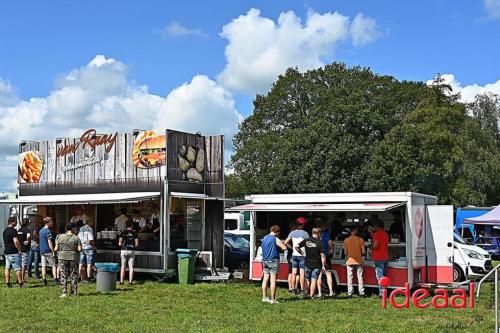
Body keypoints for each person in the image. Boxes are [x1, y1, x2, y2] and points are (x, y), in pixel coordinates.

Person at [296, 228, 326, 299]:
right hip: (317, 264)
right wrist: (323, 266)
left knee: (307, 279)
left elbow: (297, 246)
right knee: (314, 280)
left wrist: (302, 253)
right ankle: (312, 296)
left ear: (312, 233)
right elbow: (323, 256)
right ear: (318, 233)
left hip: (307, 263)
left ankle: (305, 295)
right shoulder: (320, 243)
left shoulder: (307, 240)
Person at [261, 225, 287, 304]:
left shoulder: (264, 238)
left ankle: (264, 297)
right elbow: (284, 247)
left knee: (265, 279)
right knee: (273, 280)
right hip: (273, 260)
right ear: (277, 232)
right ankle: (273, 299)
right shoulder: (275, 238)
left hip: (265, 260)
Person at [55, 223, 82, 297]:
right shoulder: (76, 238)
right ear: (72, 228)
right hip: (73, 257)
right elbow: (80, 249)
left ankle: (64, 292)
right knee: (73, 275)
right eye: (75, 228)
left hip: (62, 257)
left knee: (63, 275)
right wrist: (73, 249)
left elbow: (56, 248)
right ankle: (74, 292)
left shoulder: (60, 237)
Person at [285, 217, 309, 295]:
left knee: (293, 273)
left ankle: (292, 289)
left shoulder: (292, 233)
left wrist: (292, 248)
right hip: (302, 255)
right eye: (304, 223)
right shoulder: (305, 233)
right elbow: (309, 244)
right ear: (302, 224)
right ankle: (302, 289)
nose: (305, 224)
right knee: (302, 273)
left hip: (294, 254)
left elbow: (285, 242)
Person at [343, 226, 366, 298]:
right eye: (357, 230)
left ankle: (350, 293)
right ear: (355, 230)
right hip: (359, 260)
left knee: (349, 277)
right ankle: (361, 293)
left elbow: (345, 253)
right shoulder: (361, 239)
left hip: (349, 260)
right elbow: (363, 251)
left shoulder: (346, 240)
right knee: (360, 276)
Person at [3, 217, 23, 288]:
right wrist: (20, 250)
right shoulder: (13, 231)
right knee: (18, 268)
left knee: (7, 267)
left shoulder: (5, 231)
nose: (16, 223)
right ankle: (21, 284)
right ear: (12, 222)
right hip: (13, 253)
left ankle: (8, 284)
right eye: (15, 222)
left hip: (6, 252)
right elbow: (16, 242)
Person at [372, 220, 389, 296]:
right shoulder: (385, 233)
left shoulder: (376, 234)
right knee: (384, 276)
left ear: (377, 226)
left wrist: (371, 247)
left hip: (378, 257)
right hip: (385, 256)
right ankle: (384, 291)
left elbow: (376, 245)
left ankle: (382, 293)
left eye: (374, 226)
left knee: (380, 276)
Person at [118, 219, 139, 285]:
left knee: (123, 266)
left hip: (124, 250)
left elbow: (119, 243)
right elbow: (137, 244)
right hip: (131, 251)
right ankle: (130, 281)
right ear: (132, 225)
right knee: (131, 267)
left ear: (126, 225)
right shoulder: (135, 233)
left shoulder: (123, 233)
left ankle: (121, 281)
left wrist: (122, 244)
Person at [318, 222, 335, 297]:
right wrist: (331, 249)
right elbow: (330, 242)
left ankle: (319, 293)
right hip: (326, 255)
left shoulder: (316, 235)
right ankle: (331, 292)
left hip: (317, 256)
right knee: (328, 274)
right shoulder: (326, 234)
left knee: (319, 274)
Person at [40, 217, 58, 285]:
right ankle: (55, 279)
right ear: (47, 223)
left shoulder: (41, 230)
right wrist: (53, 251)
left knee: (43, 265)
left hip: (42, 250)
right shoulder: (48, 231)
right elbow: (49, 242)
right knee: (53, 265)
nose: (52, 223)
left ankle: (44, 280)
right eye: (51, 222)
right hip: (48, 250)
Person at [17, 218, 31, 285]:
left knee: (19, 265)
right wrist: (28, 241)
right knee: (24, 266)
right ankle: (22, 279)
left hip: (19, 249)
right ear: (28, 223)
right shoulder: (27, 230)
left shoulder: (19, 230)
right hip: (25, 249)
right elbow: (28, 236)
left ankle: (18, 279)